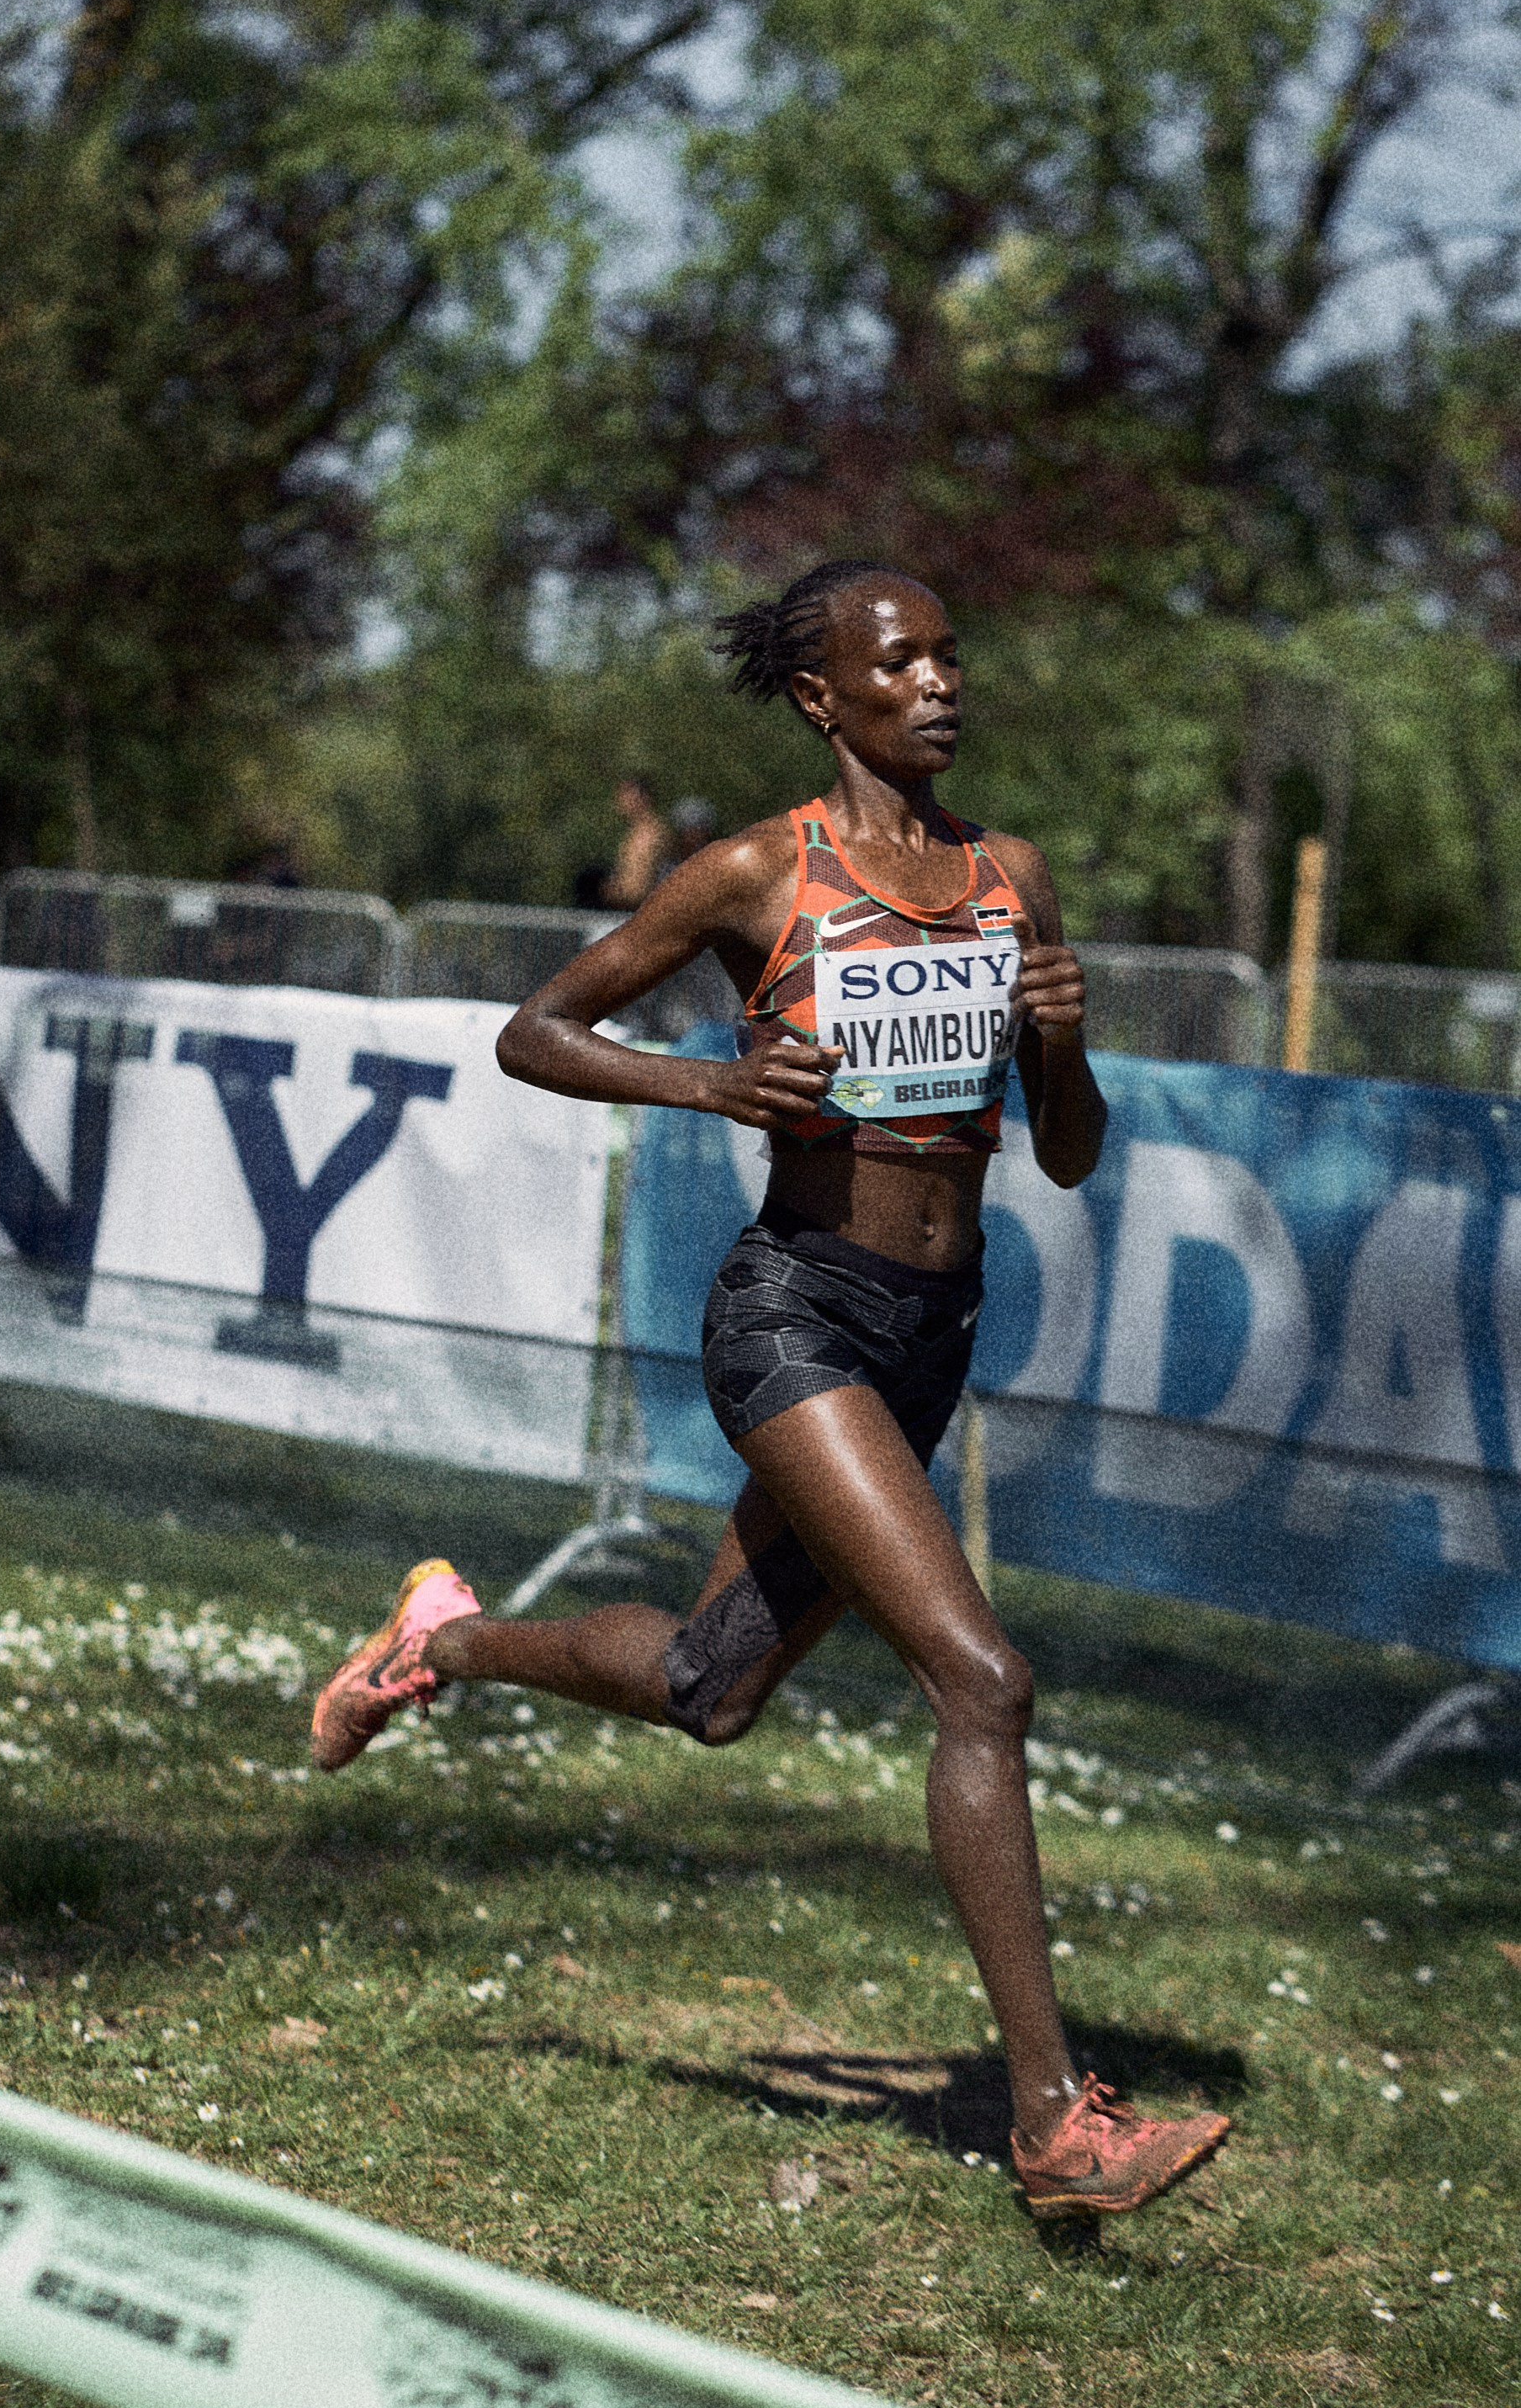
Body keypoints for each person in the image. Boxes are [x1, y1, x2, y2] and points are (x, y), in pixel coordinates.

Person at [309, 559, 1230, 2221]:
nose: (940, 682)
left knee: (705, 1686)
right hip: (792, 1317)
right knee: (980, 1678)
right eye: (902, 661)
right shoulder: (755, 871)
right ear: (826, 696)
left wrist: (1066, 1042)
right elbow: (535, 1028)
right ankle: (1052, 2130)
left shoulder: (1004, 875)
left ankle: (433, 1638)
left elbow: (1070, 1156)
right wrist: (716, 1080)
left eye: (951, 653)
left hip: (930, 1329)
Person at [602, 773, 671, 909]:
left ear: (643, 797)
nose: (620, 800)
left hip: (638, 911)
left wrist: (616, 893)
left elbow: (638, 888)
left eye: (627, 793)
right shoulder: (635, 834)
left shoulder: (651, 834)